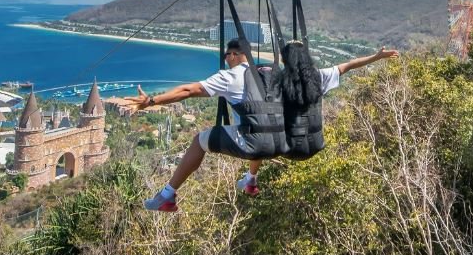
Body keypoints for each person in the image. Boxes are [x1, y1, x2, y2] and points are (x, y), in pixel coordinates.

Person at [126, 38, 399, 212]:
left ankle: (168, 194)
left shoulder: (234, 76)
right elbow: (346, 66)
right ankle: (251, 180)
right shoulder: (281, 76)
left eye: (227, 56)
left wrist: (151, 100)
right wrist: (376, 57)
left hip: (257, 144)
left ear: (234, 55)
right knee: (262, 128)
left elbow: (189, 90)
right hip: (280, 144)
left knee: (200, 140)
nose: (226, 60)